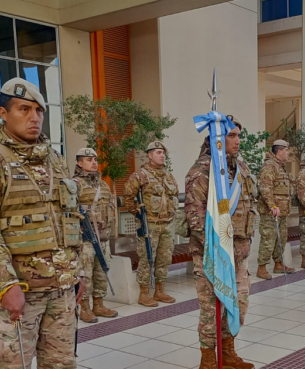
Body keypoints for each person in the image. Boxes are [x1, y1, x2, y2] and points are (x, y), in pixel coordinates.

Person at [0, 77, 85, 368]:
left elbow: (71, 217)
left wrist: (79, 271)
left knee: (61, 364)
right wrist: (6, 284)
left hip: (61, 291)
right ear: (3, 113)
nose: (34, 117)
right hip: (19, 294)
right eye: (24, 109)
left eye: (39, 111)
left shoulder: (55, 159)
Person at [185, 117, 256, 369]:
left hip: (239, 251)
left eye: (238, 136)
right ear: (217, 138)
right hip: (212, 253)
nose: (237, 141)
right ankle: (208, 359)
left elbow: (250, 206)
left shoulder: (241, 168)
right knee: (210, 308)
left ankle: (228, 352)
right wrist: (217, 249)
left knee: (238, 304)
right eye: (232, 136)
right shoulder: (203, 170)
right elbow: (196, 216)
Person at [123, 141, 178, 307]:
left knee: (164, 258)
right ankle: (144, 293)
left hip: (167, 224)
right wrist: (137, 212)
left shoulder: (168, 175)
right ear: (149, 155)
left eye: (163, 152)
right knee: (147, 258)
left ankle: (159, 290)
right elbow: (127, 196)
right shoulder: (140, 175)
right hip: (150, 225)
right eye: (158, 152)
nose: (162, 155)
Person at [73, 148, 118, 323]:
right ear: (79, 162)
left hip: (103, 238)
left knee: (101, 273)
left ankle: (98, 304)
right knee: (86, 274)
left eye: (95, 159)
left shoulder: (103, 185)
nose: (93, 162)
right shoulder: (74, 184)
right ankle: (84, 307)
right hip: (85, 239)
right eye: (88, 159)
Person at [256, 139, 295, 279]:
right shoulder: (270, 166)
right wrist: (272, 206)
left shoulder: (281, 166)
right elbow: (265, 187)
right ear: (279, 151)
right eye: (286, 150)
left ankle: (278, 264)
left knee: (281, 238)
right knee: (268, 239)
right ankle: (261, 268)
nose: (288, 153)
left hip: (282, 212)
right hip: (271, 212)